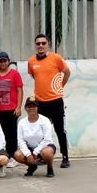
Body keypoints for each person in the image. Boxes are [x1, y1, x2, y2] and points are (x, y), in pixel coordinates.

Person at [27, 34, 71, 168]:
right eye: (38, 43)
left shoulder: (56, 58)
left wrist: (59, 87)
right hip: (40, 102)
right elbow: (36, 77)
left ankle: (65, 157)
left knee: (59, 130)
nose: (40, 46)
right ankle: (41, 156)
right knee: (41, 132)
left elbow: (67, 72)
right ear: (35, 45)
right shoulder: (31, 61)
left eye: (43, 43)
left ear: (47, 44)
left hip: (56, 101)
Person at [0, 51, 23, 168]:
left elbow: (20, 90)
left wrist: (18, 107)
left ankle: (13, 156)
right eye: (0, 61)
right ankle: (4, 156)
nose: (3, 63)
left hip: (12, 109)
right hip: (0, 109)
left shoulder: (15, 74)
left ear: (8, 61)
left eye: (5, 61)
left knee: (12, 134)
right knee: (1, 134)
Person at [14, 96, 56, 178]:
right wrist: (28, 154)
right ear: (25, 108)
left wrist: (35, 152)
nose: (31, 108)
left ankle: (50, 167)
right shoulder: (22, 122)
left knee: (46, 153)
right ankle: (32, 165)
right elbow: (21, 141)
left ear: (37, 108)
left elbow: (47, 139)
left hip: (45, 147)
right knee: (17, 155)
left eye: (34, 106)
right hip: (30, 148)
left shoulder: (45, 120)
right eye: (29, 106)